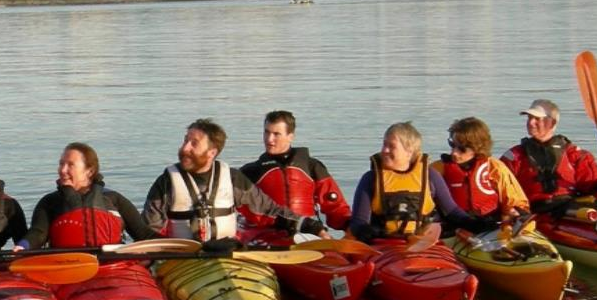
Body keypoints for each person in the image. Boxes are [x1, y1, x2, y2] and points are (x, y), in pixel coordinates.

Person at [141, 118, 328, 245]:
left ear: (212, 152)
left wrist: (313, 226)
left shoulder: (232, 178)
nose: (185, 148)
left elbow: (269, 212)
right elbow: (149, 230)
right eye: (185, 141)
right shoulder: (166, 182)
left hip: (226, 254)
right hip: (182, 259)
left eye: (194, 143)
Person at [348, 122, 494, 244]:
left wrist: (476, 224)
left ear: (409, 151)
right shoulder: (370, 179)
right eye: (384, 144)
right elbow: (358, 222)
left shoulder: (430, 176)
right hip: (384, 245)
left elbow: (452, 212)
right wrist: (366, 231)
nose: (384, 150)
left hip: (422, 244)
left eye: (391, 146)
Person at [237, 110, 352, 244]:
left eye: (276, 134)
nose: (269, 139)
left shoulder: (312, 167)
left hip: (305, 235)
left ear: (290, 136)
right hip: (265, 238)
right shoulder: (250, 172)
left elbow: (336, 207)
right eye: (266, 132)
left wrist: (351, 227)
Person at [20, 142, 158, 250]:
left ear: (89, 171)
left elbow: (143, 234)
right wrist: (23, 245)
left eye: (70, 165)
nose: (62, 170)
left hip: (112, 266)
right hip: (65, 266)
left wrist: (175, 243)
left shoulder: (114, 200)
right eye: (61, 164)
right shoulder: (49, 202)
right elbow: (38, 233)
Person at [500, 99, 597, 215]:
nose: (531, 122)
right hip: (533, 213)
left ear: (552, 122)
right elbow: (500, 190)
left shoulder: (577, 155)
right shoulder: (514, 156)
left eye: (537, 119)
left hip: (571, 211)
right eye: (529, 118)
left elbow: (595, 194)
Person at [431, 117, 530, 221]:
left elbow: (516, 200)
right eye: (452, 145)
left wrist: (513, 212)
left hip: (490, 224)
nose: (454, 153)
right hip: (454, 224)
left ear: (477, 148)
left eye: (462, 149)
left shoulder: (494, 167)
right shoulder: (438, 168)